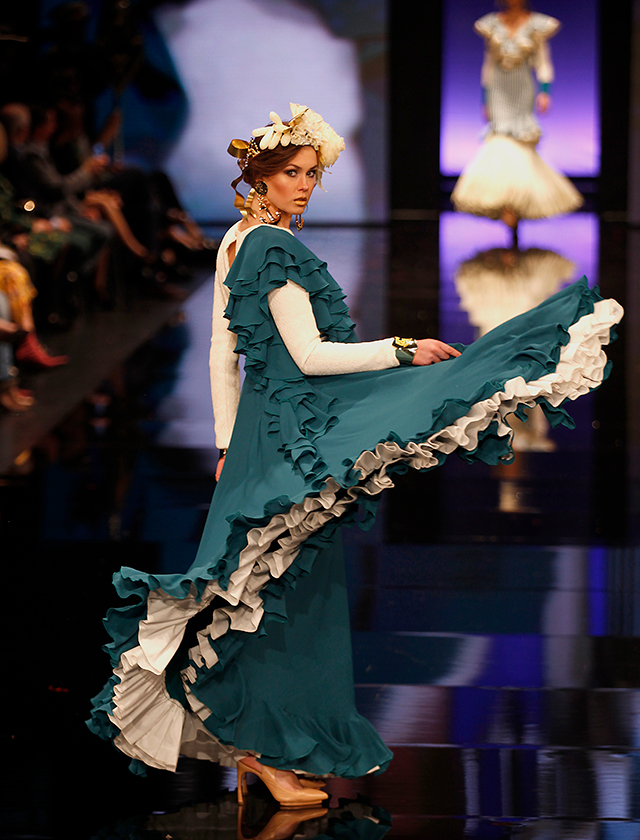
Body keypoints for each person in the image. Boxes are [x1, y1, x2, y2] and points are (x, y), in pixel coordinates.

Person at [88, 103, 621, 807]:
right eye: (292, 173)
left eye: (312, 174)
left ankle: (262, 749)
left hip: (264, 432)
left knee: (263, 591)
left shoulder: (236, 241)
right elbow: (309, 357)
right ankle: (266, 751)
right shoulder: (271, 249)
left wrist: (226, 442)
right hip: (294, 434)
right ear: (260, 177)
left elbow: (224, 354)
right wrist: (401, 349)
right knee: (286, 597)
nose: (305, 185)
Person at [451, 0, 583, 234]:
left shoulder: (535, 24)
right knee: (500, 138)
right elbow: (488, 63)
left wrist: (545, 91)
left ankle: (517, 199)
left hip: (522, 86)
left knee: (518, 139)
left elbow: (542, 61)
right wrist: (485, 97)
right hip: (498, 87)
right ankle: (504, 200)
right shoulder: (492, 24)